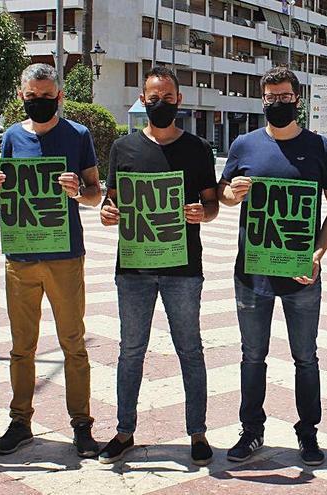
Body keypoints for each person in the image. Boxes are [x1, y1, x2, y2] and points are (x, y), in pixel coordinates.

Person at [218, 66, 327, 466]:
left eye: (285, 97)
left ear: (298, 99)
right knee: (252, 355)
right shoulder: (243, 145)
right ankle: (251, 431)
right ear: (263, 100)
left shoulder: (320, 147)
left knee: (305, 356)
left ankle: (308, 434)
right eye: (271, 98)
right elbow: (222, 195)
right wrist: (231, 195)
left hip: (300, 272)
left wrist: (319, 253)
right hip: (252, 273)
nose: (278, 103)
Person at [98, 66, 219, 466]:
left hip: (184, 268)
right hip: (133, 268)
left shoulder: (198, 148)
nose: (160, 104)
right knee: (131, 350)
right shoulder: (123, 148)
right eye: (154, 97)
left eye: (167, 97)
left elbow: (212, 202)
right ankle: (123, 430)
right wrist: (108, 213)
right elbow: (110, 200)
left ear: (179, 100)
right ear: (142, 98)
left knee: (190, 350)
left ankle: (197, 432)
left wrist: (204, 212)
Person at [0, 63, 102, 458]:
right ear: (22, 95)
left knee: (73, 343)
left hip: (65, 255)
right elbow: (1, 192)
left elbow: (95, 193)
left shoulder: (78, 135)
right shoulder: (11, 137)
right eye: (32, 96)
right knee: (22, 345)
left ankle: (82, 424)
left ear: (60, 96)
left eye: (47, 95)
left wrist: (77, 192)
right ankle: (20, 421)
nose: (40, 101)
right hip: (20, 256)